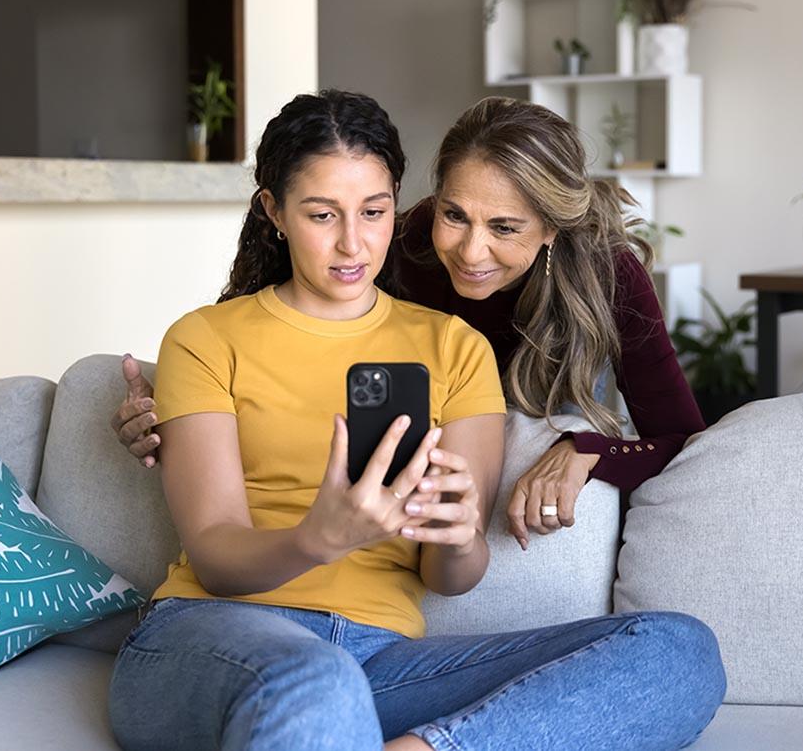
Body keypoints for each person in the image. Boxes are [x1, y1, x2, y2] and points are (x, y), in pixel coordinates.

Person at [107, 89, 724, 750]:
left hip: (378, 661)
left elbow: (450, 576)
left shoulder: (455, 347)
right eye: (321, 214)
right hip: (214, 636)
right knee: (315, 680)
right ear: (274, 211)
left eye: (373, 212)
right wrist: (320, 536)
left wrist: (458, 538)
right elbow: (217, 559)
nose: (352, 242)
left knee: (677, 650)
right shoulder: (206, 338)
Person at [113, 95, 704, 550]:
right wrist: (175, 416)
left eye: (504, 228)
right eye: (454, 214)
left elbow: (684, 436)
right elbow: (286, 347)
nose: (471, 253)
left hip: (560, 393)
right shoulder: (400, 241)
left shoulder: (609, 274)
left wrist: (590, 449)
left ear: (551, 228)